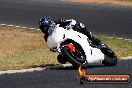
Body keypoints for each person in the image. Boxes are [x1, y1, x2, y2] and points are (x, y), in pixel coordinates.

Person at [39, 17, 106, 64]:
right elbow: (51, 47)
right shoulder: (46, 37)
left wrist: (66, 23)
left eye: (45, 26)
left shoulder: (58, 24)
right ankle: (77, 57)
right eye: (43, 28)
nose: (44, 29)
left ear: (50, 23)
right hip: (61, 44)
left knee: (80, 26)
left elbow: (72, 21)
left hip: (71, 35)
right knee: (60, 59)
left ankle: (94, 40)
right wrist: (53, 49)